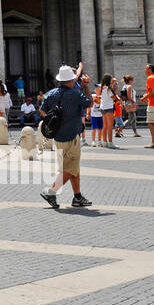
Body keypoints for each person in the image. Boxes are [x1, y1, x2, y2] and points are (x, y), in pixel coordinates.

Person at [40, 63, 94, 209]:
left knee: (72, 167)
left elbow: (42, 110)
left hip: (58, 137)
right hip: (71, 136)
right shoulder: (75, 94)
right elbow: (90, 103)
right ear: (70, 81)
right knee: (69, 169)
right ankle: (51, 192)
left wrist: (55, 121)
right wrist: (86, 86)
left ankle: (77, 197)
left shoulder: (51, 94)